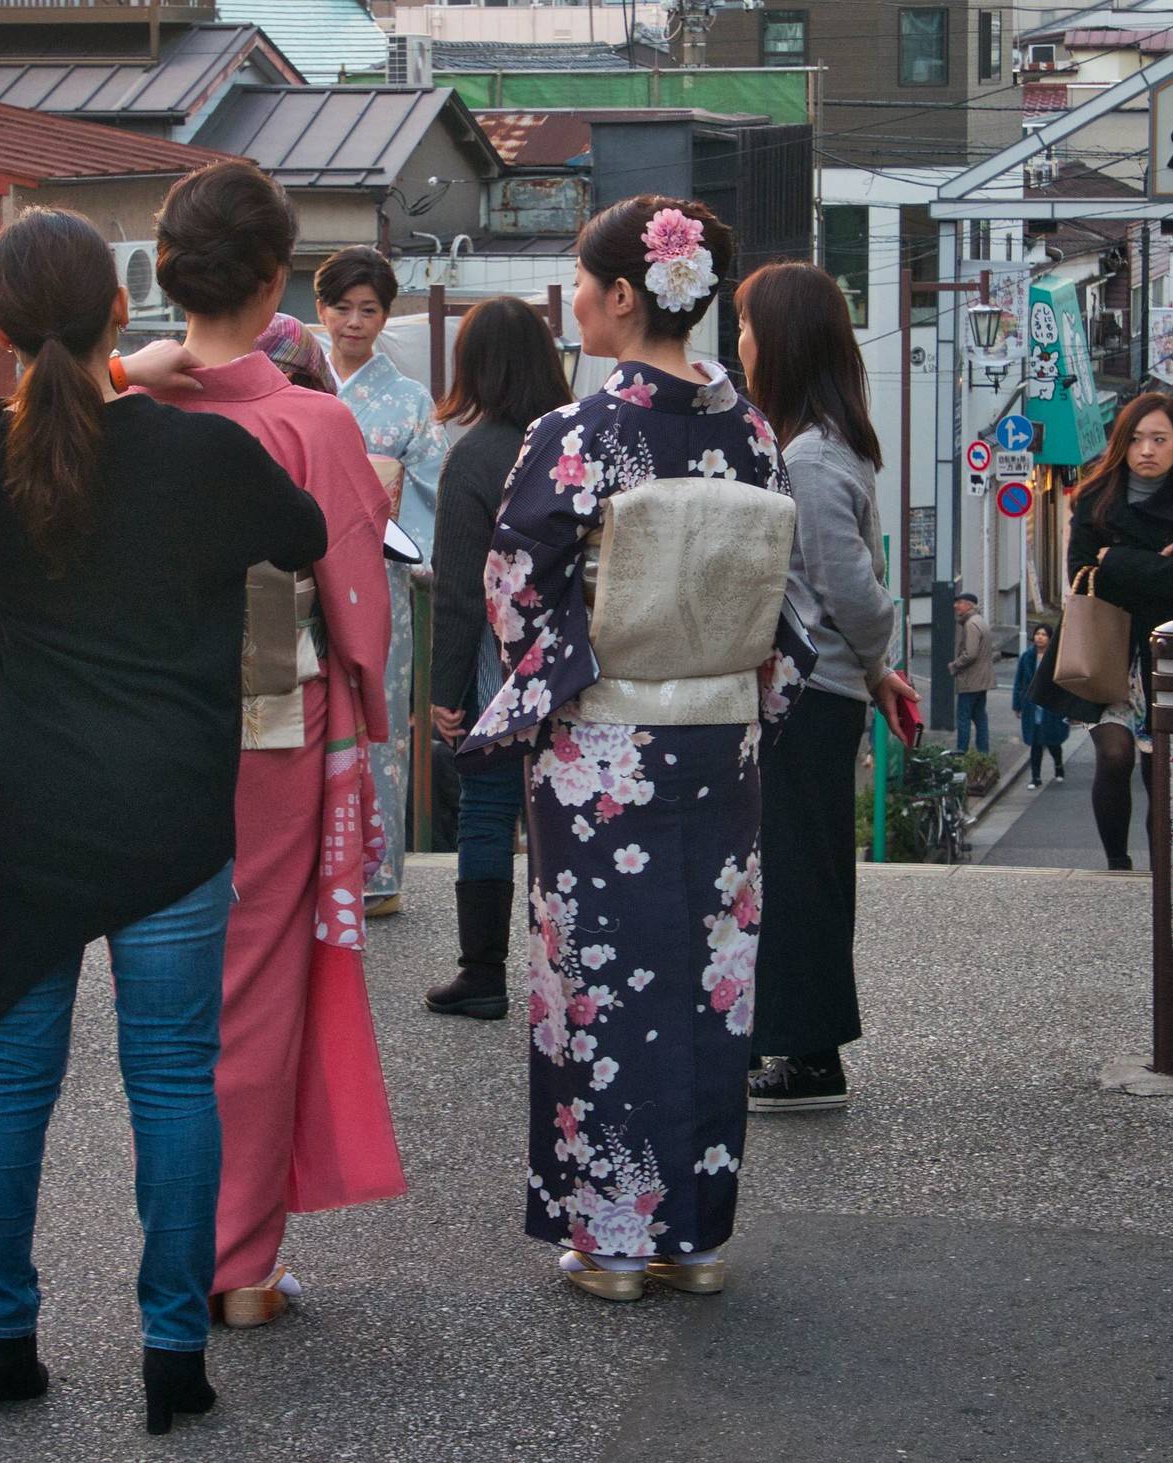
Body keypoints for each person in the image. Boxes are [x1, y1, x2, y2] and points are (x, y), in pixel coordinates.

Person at [0, 207, 328, 1434]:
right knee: (169, 1078)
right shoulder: (201, 461)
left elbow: (39, 412)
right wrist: (149, 379)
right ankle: (171, 1351)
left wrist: (111, 375)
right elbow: (305, 536)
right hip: (167, 810)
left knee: (11, 1073)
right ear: (123, 305)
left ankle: (0, 1335)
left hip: (22, 811)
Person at [457, 195, 811, 1301]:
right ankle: (692, 1235)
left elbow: (516, 588)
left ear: (621, 295)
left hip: (602, 747)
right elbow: (778, 597)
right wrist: (747, 687)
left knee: (603, 981)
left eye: (578, 277)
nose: (571, 298)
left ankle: (611, 1239)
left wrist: (563, 679)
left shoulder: (573, 435)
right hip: (718, 741)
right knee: (710, 978)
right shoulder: (748, 431)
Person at [138, 161, 405, 1332]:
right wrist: (369, 706)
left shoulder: (116, 414)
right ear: (277, 280)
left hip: (131, 726)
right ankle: (232, 1259)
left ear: (165, 274)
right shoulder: (309, 420)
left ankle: (174, 1247)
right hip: (267, 728)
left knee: (155, 997)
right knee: (248, 989)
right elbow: (357, 603)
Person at [732, 259, 917, 1112]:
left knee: (800, 875)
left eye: (749, 329)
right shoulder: (833, 446)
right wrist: (876, 669)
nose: (740, 346)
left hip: (804, 696)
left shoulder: (805, 456)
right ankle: (797, 1043)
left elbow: (850, 589)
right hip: (831, 692)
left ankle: (810, 1057)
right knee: (807, 871)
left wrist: (878, 647)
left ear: (786, 347)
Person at [424, 296, 574, 1020]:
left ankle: (482, 973)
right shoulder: (570, 443)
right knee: (563, 815)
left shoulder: (474, 456)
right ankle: (567, 969)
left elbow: (456, 592)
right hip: (577, 662)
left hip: (496, 663)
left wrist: (443, 691)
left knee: (487, 811)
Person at [1030, 392, 1173, 871]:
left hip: (1171, 651)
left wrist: (1115, 560)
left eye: (1160, 439)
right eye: (1136, 439)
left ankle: (1165, 869)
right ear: (1121, 442)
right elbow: (1078, 571)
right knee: (1115, 756)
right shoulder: (1097, 498)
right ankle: (1116, 862)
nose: (1147, 450)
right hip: (1107, 645)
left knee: (1163, 770)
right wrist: (1153, 567)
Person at [315, 245, 449, 917]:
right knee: (308, 716)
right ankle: (313, 870)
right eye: (342, 307)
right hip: (303, 582)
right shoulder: (300, 384)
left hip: (379, 576)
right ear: (321, 310)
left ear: (385, 315)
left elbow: (429, 493)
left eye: (369, 310)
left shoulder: (408, 402)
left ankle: (377, 875)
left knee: (381, 723)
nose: (354, 322)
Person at [1010, 624, 1070, 788]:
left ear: (1050, 638)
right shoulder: (1026, 657)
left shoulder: (1056, 658)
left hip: (1051, 705)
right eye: (1037, 634)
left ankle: (1058, 766)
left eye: (1044, 634)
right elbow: (1019, 682)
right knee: (1036, 743)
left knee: (1052, 741)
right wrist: (1017, 704)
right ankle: (1035, 778)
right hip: (1032, 705)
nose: (1040, 637)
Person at [950, 592, 995, 755]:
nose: (956, 606)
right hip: (982, 679)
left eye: (959, 602)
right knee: (980, 716)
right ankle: (983, 752)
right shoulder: (980, 621)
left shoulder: (970, 624)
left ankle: (961, 750)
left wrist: (955, 665)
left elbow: (970, 653)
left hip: (971, 679)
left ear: (969, 605)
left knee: (964, 717)